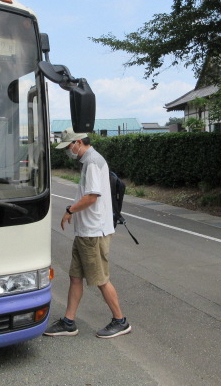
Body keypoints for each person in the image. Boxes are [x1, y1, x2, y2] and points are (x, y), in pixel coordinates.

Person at [43, 127, 132, 339]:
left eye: (69, 146)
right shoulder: (88, 161)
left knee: (100, 279)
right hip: (85, 232)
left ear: (79, 142)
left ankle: (120, 321)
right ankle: (69, 322)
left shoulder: (92, 162)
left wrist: (69, 210)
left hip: (93, 232)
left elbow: (92, 197)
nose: (68, 151)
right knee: (75, 277)